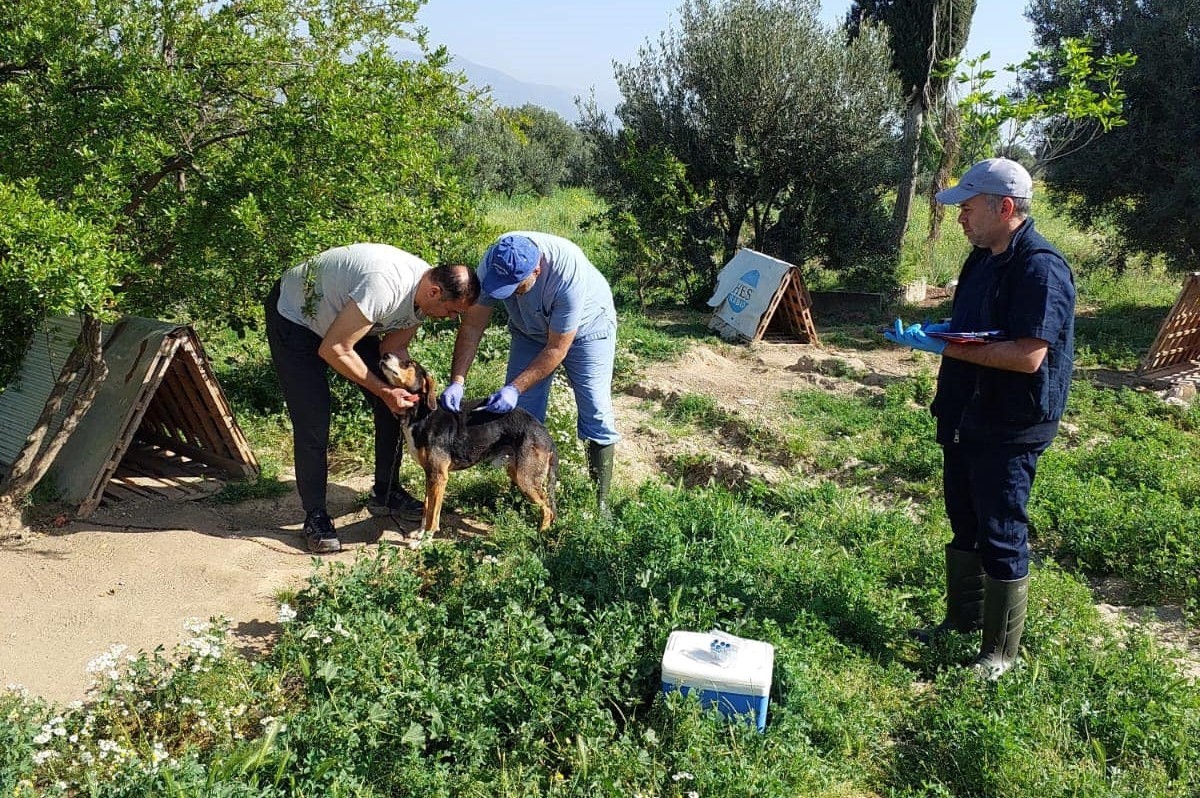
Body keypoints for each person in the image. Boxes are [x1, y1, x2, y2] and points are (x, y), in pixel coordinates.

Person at [883, 158, 1075, 680]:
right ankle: (960, 623)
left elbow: (1026, 355)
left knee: (1000, 529)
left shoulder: (1040, 267)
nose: (960, 218)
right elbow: (973, 327)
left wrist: (947, 346)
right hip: (966, 413)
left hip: (1009, 424)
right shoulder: (982, 259)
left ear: (1004, 207)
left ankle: (1000, 656)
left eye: (967, 208)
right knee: (964, 520)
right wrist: (934, 332)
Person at [265, 243, 480, 554]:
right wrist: (383, 389)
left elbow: (391, 350)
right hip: (297, 319)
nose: (448, 318)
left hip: (348, 326)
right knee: (314, 420)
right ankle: (315, 516)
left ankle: (386, 492)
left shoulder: (422, 299)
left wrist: (404, 389)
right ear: (435, 291)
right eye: (451, 311)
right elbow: (334, 349)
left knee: (395, 404)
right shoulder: (384, 286)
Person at [438, 232, 620, 514]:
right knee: (522, 415)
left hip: (587, 331)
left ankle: (602, 504)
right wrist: (457, 382)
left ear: (536, 269)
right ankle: (524, 493)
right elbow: (472, 327)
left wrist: (514, 387)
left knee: (595, 411)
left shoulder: (566, 274)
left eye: (516, 287)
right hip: (529, 330)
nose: (509, 293)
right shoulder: (495, 262)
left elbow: (557, 348)